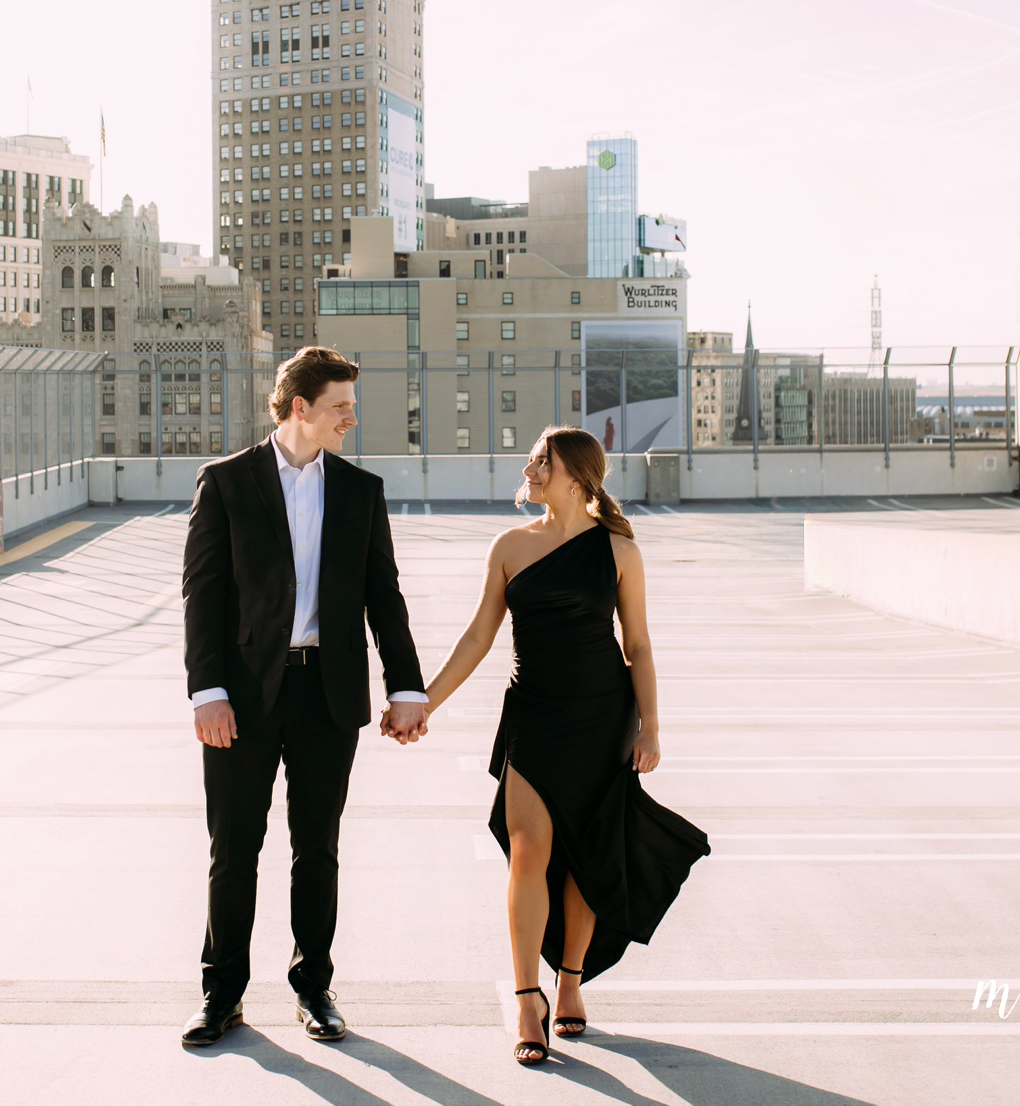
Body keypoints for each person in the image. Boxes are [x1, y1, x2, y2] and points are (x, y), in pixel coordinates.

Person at [422, 426, 709, 1066]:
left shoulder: (619, 551)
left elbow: (638, 645)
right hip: (533, 716)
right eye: (531, 460)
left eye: (541, 461)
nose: (529, 469)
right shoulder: (509, 546)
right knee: (528, 851)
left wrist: (651, 726)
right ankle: (528, 998)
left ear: (576, 475)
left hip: (604, 718)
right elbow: (477, 637)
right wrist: (425, 703)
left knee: (584, 858)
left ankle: (570, 981)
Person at [178, 347, 429, 1048]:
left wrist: (406, 687)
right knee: (234, 847)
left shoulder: (360, 490)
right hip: (241, 697)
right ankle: (221, 993)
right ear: (300, 407)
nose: (352, 418)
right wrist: (207, 691)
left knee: (317, 847)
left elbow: (384, 595)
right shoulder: (226, 482)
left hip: (328, 692)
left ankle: (313, 987)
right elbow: (202, 593)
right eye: (340, 406)